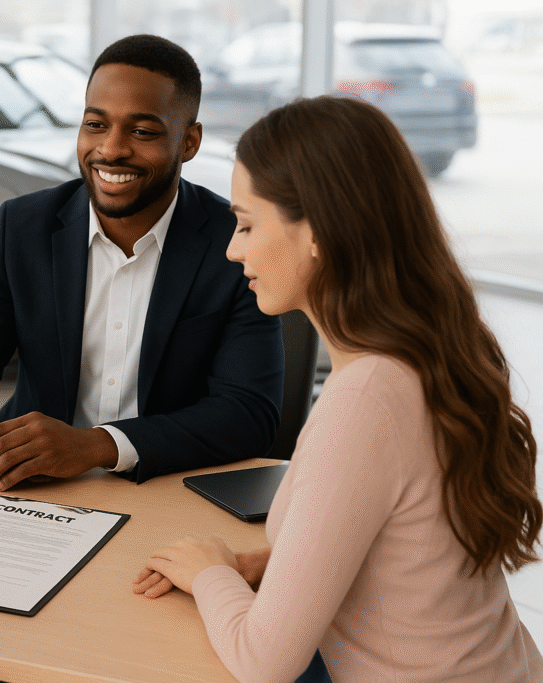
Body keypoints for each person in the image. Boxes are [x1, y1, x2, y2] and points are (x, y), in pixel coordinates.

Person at [134, 96, 543, 682]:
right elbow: (410, 553)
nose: (233, 248)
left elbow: (264, 663)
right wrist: (275, 567)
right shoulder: (426, 355)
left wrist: (208, 572)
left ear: (320, 232)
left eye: (247, 224)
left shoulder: (367, 399)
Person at [0, 34, 284, 492]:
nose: (110, 150)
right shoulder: (23, 227)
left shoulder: (232, 244)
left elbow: (247, 413)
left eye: (143, 131)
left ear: (188, 142)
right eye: (95, 124)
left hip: (164, 487)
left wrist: (95, 446)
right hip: (33, 488)